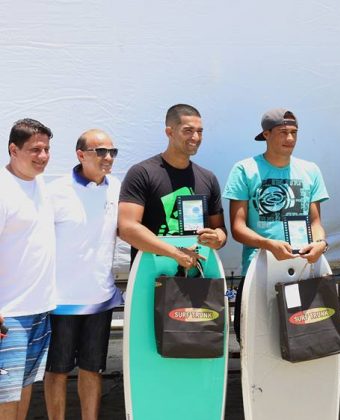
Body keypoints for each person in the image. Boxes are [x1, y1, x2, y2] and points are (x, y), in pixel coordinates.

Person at [223, 108, 330, 337]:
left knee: (307, 343)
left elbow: (315, 221)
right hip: (260, 268)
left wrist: (321, 243)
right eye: (283, 132)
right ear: (266, 134)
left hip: (304, 269)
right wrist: (268, 244)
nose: (290, 139)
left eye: (294, 132)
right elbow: (238, 228)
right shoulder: (245, 169)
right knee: (256, 343)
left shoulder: (310, 170)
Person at [43, 129, 123, 420]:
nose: (108, 158)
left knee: (93, 369)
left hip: (100, 299)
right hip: (60, 301)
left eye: (112, 152)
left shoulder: (117, 188)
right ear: (80, 154)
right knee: (57, 371)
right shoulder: (55, 190)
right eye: (100, 151)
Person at [118, 104, 227, 269]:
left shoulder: (208, 178)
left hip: (197, 274)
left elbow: (219, 228)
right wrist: (175, 253)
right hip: (151, 274)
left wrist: (218, 238)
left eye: (200, 131)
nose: (196, 137)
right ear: (169, 132)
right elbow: (127, 228)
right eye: (188, 131)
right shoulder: (142, 173)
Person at [0, 119, 55, 420]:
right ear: (13, 149)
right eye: (35, 149)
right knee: (5, 399)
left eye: (46, 149)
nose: (43, 156)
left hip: (38, 312)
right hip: (8, 316)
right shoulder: (3, 189)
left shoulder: (40, 185)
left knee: (22, 393)